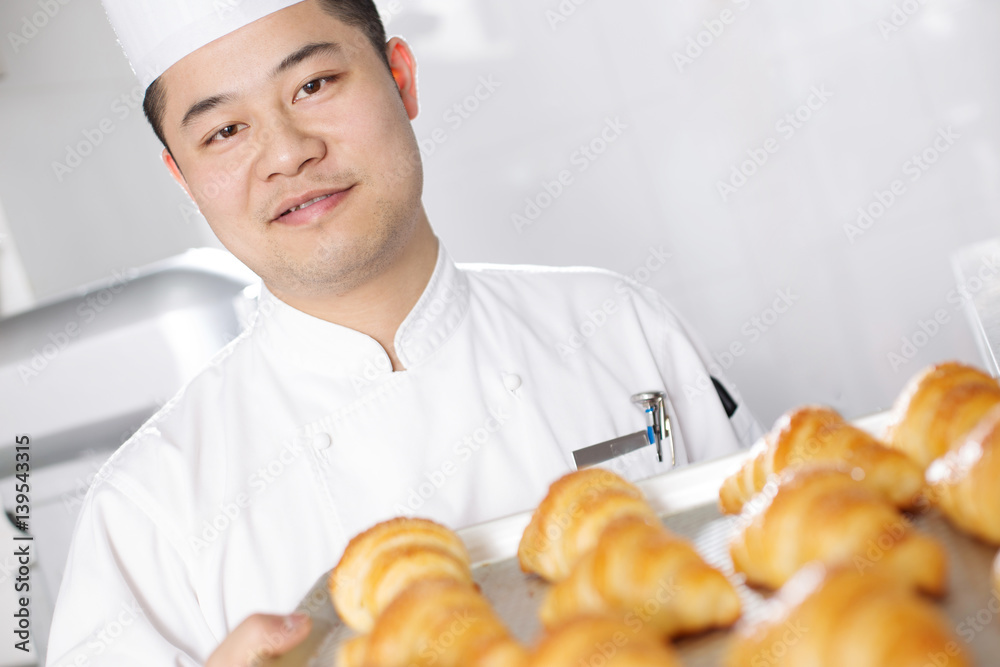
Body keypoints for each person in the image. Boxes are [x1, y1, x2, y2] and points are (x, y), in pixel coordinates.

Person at [46, 1, 762, 665]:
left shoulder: (618, 326)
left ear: (402, 79)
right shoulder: (148, 512)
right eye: (224, 130)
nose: (289, 152)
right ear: (185, 180)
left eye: (314, 84)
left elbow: (778, 585)